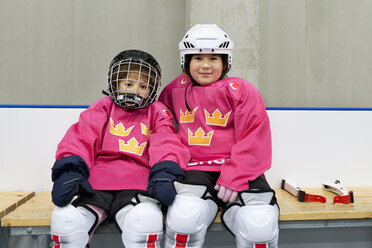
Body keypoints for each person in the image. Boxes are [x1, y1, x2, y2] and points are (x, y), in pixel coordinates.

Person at [50, 49, 190, 248]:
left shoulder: (157, 112)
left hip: (138, 185)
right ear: (115, 83)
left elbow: (166, 141)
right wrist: (69, 171)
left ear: (152, 89)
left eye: (142, 86)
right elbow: (81, 138)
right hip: (96, 184)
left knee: (145, 222)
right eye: (128, 83)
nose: (134, 90)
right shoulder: (103, 107)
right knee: (66, 222)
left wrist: (165, 172)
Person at [158, 24, 279, 248]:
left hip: (241, 170)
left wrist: (236, 173)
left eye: (213, 58)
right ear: (186, 61)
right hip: (193, 169)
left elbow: (255, 135)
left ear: (225, 62)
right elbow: (162, 131)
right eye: (197, 58)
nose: (205, 65)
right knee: (185, 218)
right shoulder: (174, 89)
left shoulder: (241, 89)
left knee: (259, 225)